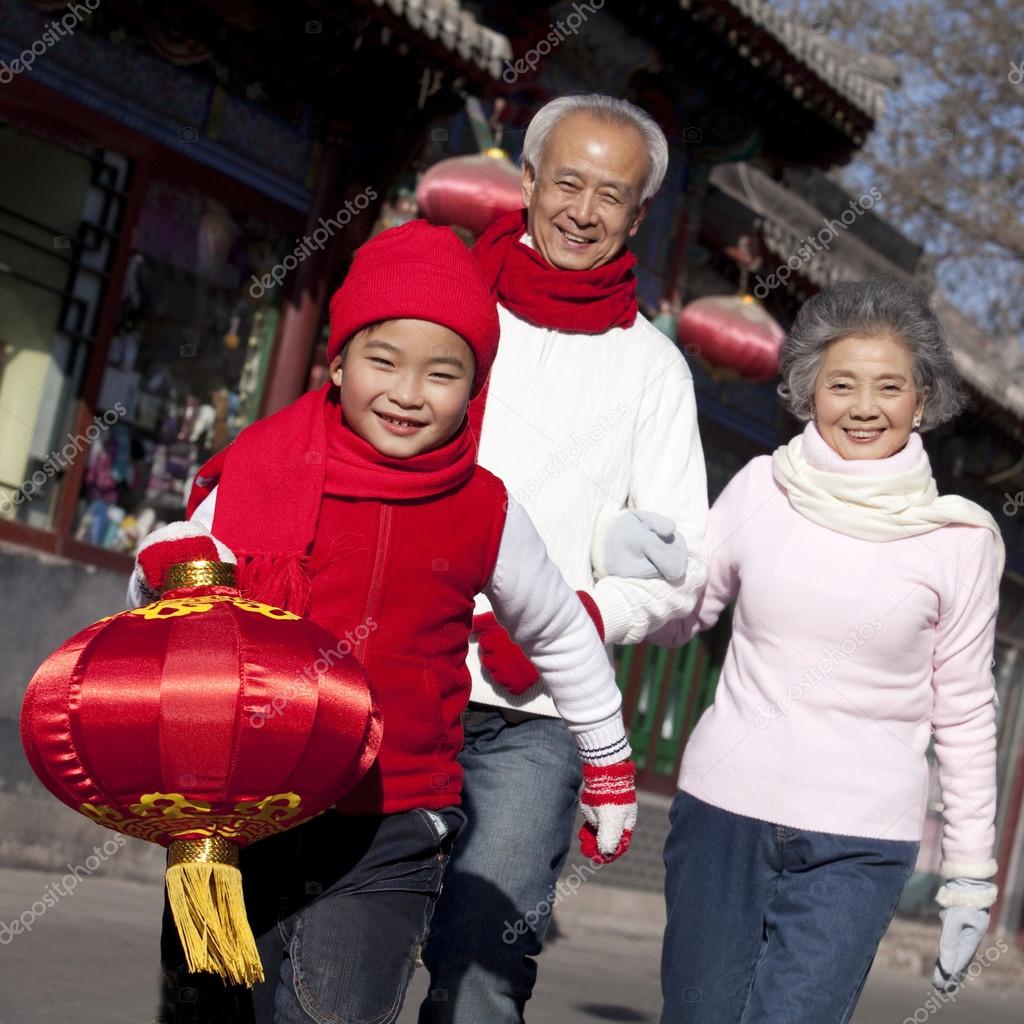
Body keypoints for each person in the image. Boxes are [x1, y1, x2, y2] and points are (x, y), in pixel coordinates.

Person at [130, 220, 637, 1024]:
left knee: (332, 1013)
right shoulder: (263, 463)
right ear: (337, 362)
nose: (408, 392)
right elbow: (169, 570)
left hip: (391, 822)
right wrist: (170, 563)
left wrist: (608, 763)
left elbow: (559, 633)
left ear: (475, 389)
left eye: (443, 373)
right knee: (209, 1012)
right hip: (235, 816)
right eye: (382, 360)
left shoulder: (485, 509)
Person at [420, 94, 709, 1024]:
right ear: (531, 181)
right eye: (568, 182)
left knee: (482, 969)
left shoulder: (651, 370)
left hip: (539, 715)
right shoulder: (448, 308)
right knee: (343, 936)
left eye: (612, 196)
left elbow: (682, 576)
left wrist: (580, 620)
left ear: (638, 215)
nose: (583, 211)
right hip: (397, 667)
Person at [646, 280, 1003, 1023]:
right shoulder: (761, 489)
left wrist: (970, 874)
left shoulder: (959, 540)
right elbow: (680, 617)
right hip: (724, 811)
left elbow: (966, 712)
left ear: (923, 398)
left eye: (889, 387)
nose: (865, 407)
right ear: (810, 391)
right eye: (842, 384)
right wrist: (642, 564)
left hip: (862, 838)